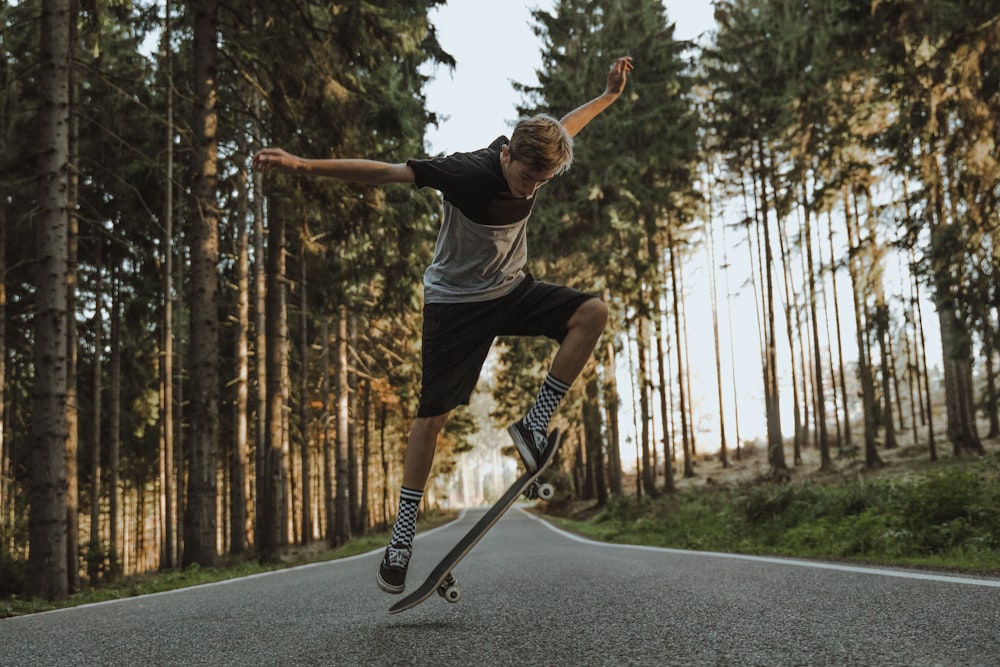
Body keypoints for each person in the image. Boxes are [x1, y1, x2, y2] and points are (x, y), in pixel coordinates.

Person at [253, 55, 633, 594]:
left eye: (540, 182)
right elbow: (384, 173)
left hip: (510, 289)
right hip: (454, 304)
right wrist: (303, 165)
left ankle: (533, 423)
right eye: (526, 178)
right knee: (432, 417)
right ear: (506, 156)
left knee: (592, 313)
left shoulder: (537, 153)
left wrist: (609, 96)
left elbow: (566, 126)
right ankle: (402, 537)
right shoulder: (465, 172)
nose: (529, 190)